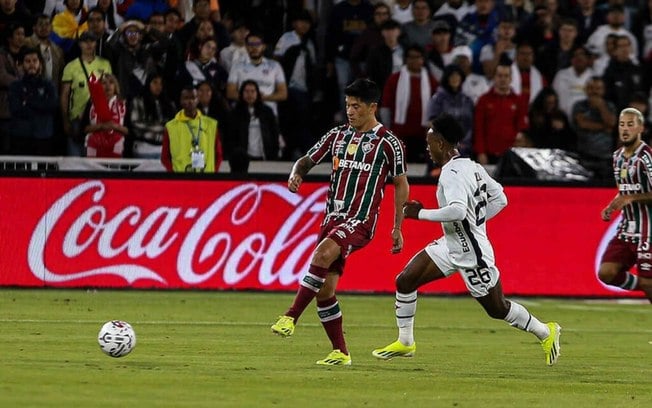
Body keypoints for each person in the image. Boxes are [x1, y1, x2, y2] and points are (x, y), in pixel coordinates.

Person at [371, 113, 562, 366]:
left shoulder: (452, 174)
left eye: (429, 143)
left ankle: (546, 331)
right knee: (405, 280)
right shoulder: (473, 166)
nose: (427, 149)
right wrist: (476, 222)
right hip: (451, 244)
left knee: (497, 308)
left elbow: (459, 210)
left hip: (472, 254)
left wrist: (420, 213)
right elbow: (500, 198)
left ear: (441, 143)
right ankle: (405, 342)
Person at [270, 78, 409, 366]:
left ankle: (290, 316)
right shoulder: (337, 136)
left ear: (373, 107)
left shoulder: (389, 143)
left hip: (361, 220)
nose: (350, 111)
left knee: (322, 253)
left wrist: (397, 226)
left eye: (356, 106)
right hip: (332, 218)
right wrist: (296, 173)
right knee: (325, 289)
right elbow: (306, 160)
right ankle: (341, 352)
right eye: (347, 105)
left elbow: (401, 184)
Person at [599, 108, 652, 302]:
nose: (625, 129)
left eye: (630, 124)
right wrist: (612, 206)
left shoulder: (646, 158)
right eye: (622, 125)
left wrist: (631, 199)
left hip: (648, 231)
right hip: (626, 230)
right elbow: (625, 191)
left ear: (641, 128)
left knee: (648, 283)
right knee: (607, 273)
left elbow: (631, 195)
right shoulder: (617, 158)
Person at [161, 85, 222, 172]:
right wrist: (173, 175)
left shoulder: (211, 124)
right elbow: (165, 157)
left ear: (198, 100)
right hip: (180, 181)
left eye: (193, 97)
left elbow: (218, 155)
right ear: (181, 101)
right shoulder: (171, 127)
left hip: (206, 180)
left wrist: (212, 174)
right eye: (186, 98)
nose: (190, 101)